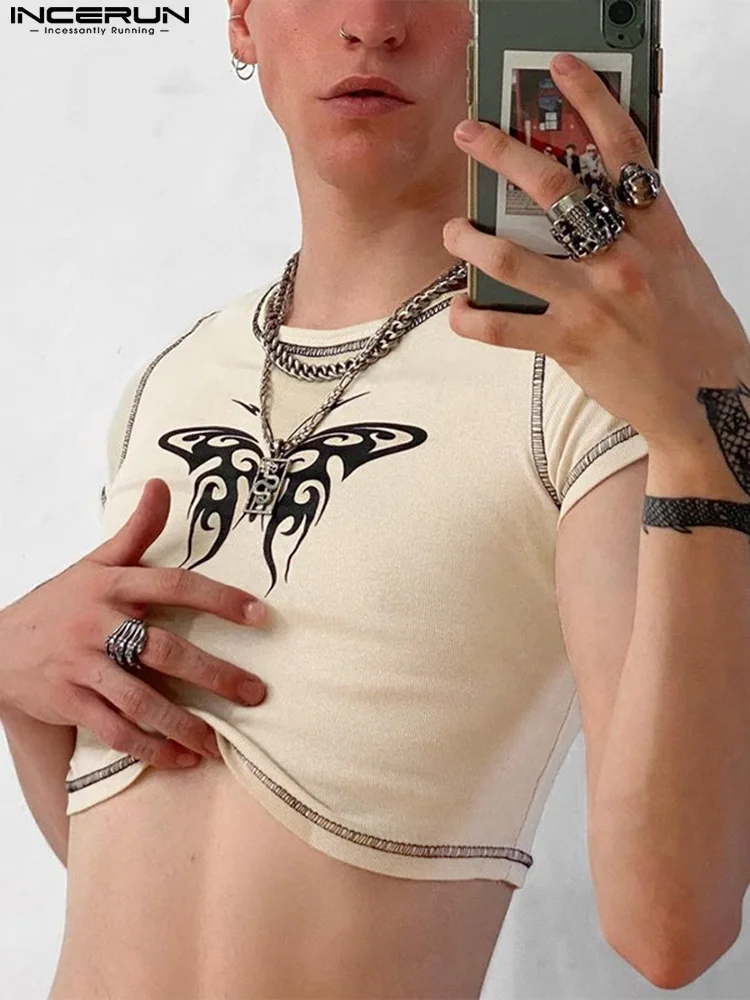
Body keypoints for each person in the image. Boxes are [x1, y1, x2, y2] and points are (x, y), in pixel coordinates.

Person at [3, 1, 748, 998]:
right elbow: (135, 892)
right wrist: (18, 680)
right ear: (241, 20)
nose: (370, 23)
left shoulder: (585, 385)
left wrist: (709, 432)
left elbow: (671, 930)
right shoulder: (168, 383)